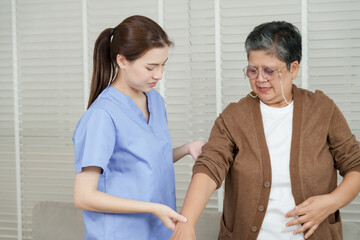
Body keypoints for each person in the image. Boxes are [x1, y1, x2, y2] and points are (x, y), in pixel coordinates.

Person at [170, 21, 360, 240]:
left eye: (270, 70)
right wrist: (187, 222)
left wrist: (331, 202)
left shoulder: (322, 110)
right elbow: (209, 167)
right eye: (253, 70)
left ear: (294, 68)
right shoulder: (234, 117)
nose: (260, 78)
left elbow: (355, 164)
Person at [72, 15, 206, 240]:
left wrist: (187, 148)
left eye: (163, 65)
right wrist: (152, 207)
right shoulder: (102, 116)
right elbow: (83, 196)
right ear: (122, 61)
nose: (159, 75)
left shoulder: (155, 102)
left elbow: (142, 164)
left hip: (159, 231)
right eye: (150, 67)